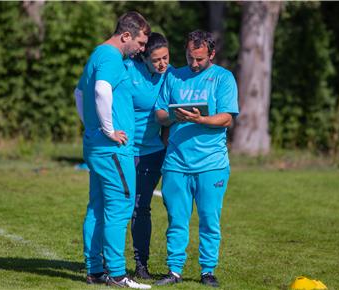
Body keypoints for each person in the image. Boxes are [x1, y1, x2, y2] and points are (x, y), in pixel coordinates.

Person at [153, 30, 239, 288]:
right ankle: (174, 270)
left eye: (199, 59)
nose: (194, 63)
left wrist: (200, 119)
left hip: (211, 165)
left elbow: (227, 118)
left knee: (209, 220)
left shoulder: (223, 78)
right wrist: (172, 117)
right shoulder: (173, 76)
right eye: (190, 57)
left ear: (211, 54)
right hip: (176, 164)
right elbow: (159, 114)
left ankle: (207, 271)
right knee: (176, 220)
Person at [74, 11, 152, 289]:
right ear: (126, 35)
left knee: (97, 206)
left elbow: (79, 94)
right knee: (120, 208)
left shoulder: (96, 54)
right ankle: (117, 274)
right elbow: (101, 91)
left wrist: (92, 127)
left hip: (97, 147)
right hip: (113, 149)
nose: (142, 49)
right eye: (141, 43)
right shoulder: (110, 57)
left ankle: (95, 270)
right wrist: (107, 129)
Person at [124, 32, 172, 279]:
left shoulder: (170, 75)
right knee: (120, 207)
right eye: (156, 60)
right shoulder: (127, 68)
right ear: (144, 58)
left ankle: (141, 265)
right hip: (125, 151)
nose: (162, 64)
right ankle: (102, 262)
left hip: (153, 152)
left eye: (165, 58)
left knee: (141, 207)